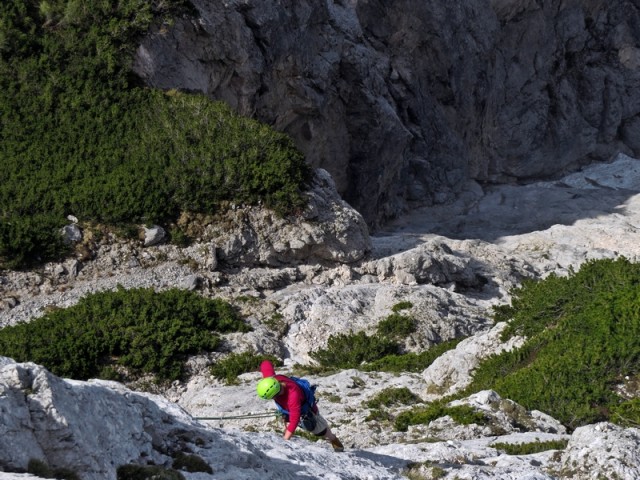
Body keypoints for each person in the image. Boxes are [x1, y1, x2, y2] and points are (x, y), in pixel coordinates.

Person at [256, 360, 344, 452]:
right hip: (288, 408)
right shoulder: (271, 380)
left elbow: (295, 419)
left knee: (320, 430)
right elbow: (266, 365)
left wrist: (284, 442)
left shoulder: (293, 395)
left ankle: (333, 439)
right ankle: (287, 432)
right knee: (287, 419)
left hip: (306, 409)